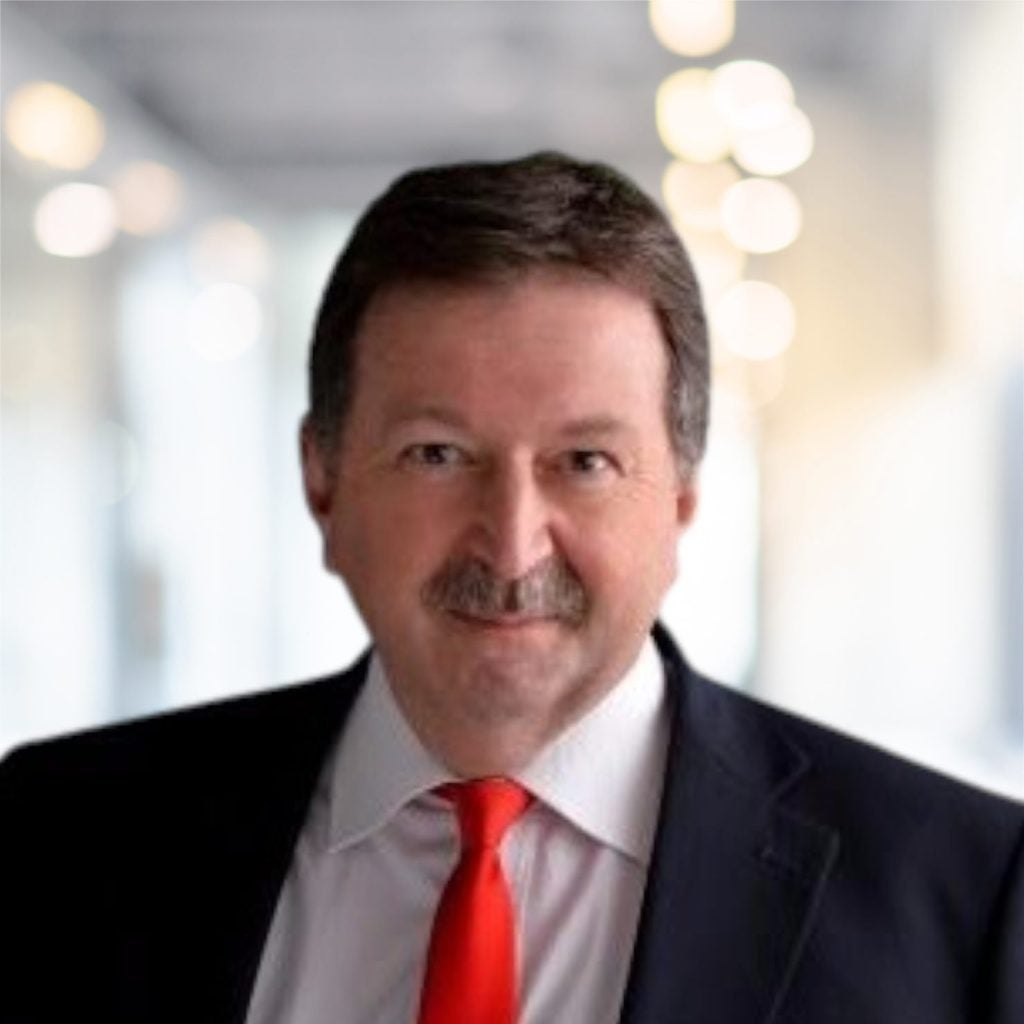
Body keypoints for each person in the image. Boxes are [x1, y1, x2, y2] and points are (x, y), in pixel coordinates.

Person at [1, 152, 1020, 1024]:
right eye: (437, 454)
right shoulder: (59, 837)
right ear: (322, 480)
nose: (512, 544)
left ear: (682, 496)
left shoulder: (962, 895)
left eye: (584, 462)